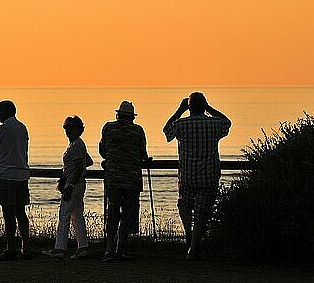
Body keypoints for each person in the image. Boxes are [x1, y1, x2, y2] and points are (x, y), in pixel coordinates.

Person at [163, 92, 231, 260]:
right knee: (201, 213)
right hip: (209, 177)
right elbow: (227, 122)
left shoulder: (181, 124)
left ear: (189, 107)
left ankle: (188, 232)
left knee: (184, 205)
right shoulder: (214, 124)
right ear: (204, 106)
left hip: (187, 176)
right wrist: (210, 109)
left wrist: (179, 110)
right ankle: (192, 249)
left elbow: (167, 131)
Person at [99, 101, 150, 262]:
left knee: (112, 213)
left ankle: (109, 250)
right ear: (132, 118)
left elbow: (102, 151)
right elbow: (142, 153)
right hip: (132, 179)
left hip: (113, 179)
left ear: (118, 115)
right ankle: (120, 249)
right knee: (128, 215)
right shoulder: (138, 131)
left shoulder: (108, 128)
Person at [0, 100, 31, 261]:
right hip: (22, 175)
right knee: (21, 213)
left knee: (8, 215)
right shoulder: (23, 128)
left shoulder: (2, 129)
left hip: (6, 176)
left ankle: (11, 249)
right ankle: (26, 247)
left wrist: (0, 152)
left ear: (5, 112)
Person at [42, 116, 94, 260]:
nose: (68, 130)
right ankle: (82, 247)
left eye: (71, 127)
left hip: (74, 185)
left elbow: (78, 167)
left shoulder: (76, 145)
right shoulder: (78, 144)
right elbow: (87, 162)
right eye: (66, 127)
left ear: (79, 129)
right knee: (76, 216)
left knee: (64, 215)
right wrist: (69, 169)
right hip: (79, 184)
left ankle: (59, 248)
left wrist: (69, 183)